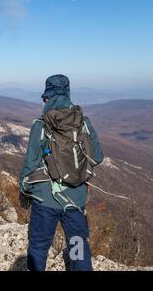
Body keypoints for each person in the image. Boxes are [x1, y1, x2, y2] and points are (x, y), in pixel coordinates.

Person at [19, 74, 104, 271]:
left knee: (39, 247)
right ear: (68, 93)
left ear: (47, 97)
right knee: (77, 247)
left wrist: (24, 190)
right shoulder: (83, 122)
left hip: (44, 200)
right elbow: (97, 157)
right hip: (76, 200)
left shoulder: (41, 124)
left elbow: (30, 164)